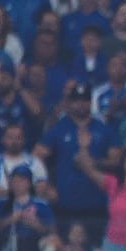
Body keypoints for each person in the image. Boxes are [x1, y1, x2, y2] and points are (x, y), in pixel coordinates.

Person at [35, 83, 121, 240]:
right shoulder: (59, 129)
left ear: (90, 102)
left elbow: (116, 160)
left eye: (84, 100)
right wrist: (46, 184)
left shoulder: (104, 129)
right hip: (65, 202)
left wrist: (91, 162)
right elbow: (37, 156)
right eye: (76, 100)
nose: (80, 104)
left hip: (97, 202)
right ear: (69, 103)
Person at [0, 165, 54, 251]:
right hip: (4, 246)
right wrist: (9, 220)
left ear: (29, 183)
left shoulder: (41, 204)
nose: (17, 184)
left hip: (33, 247)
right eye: (14, 180)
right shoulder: (1, 203)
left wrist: (35, 224)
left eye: (21, 180)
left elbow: (52, 230)